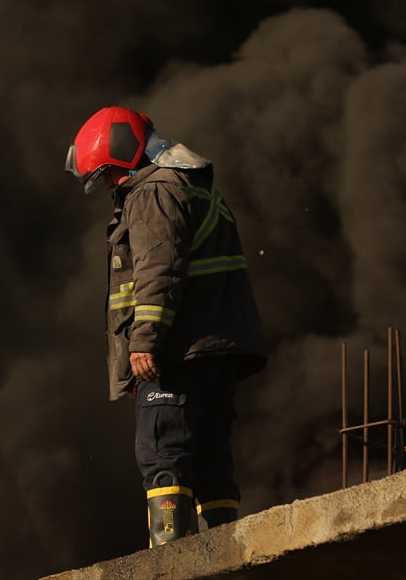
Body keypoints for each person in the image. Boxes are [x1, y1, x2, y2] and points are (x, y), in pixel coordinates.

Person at [65, 105, 268, 548]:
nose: (109, 186)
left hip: (175, 353)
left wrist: (145, 341)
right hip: (217, 350)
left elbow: (159, 270)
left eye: (108, 174)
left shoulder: (153, 192)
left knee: (164, 454)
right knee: (212, 460)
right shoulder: (196, 188)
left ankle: (171, 565)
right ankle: (221, 557)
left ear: (126, 157)